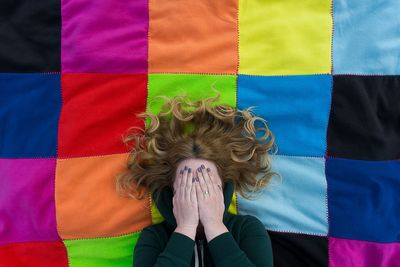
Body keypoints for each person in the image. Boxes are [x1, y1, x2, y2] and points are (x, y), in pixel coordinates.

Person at [116, 86, 280, 266]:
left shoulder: (247, 229)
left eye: (207, 183)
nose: (198, 194)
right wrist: (185, 229)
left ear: (223, 188)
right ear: (172, 191)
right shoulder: (155, 238)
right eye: (186, 185)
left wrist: (215, 227)